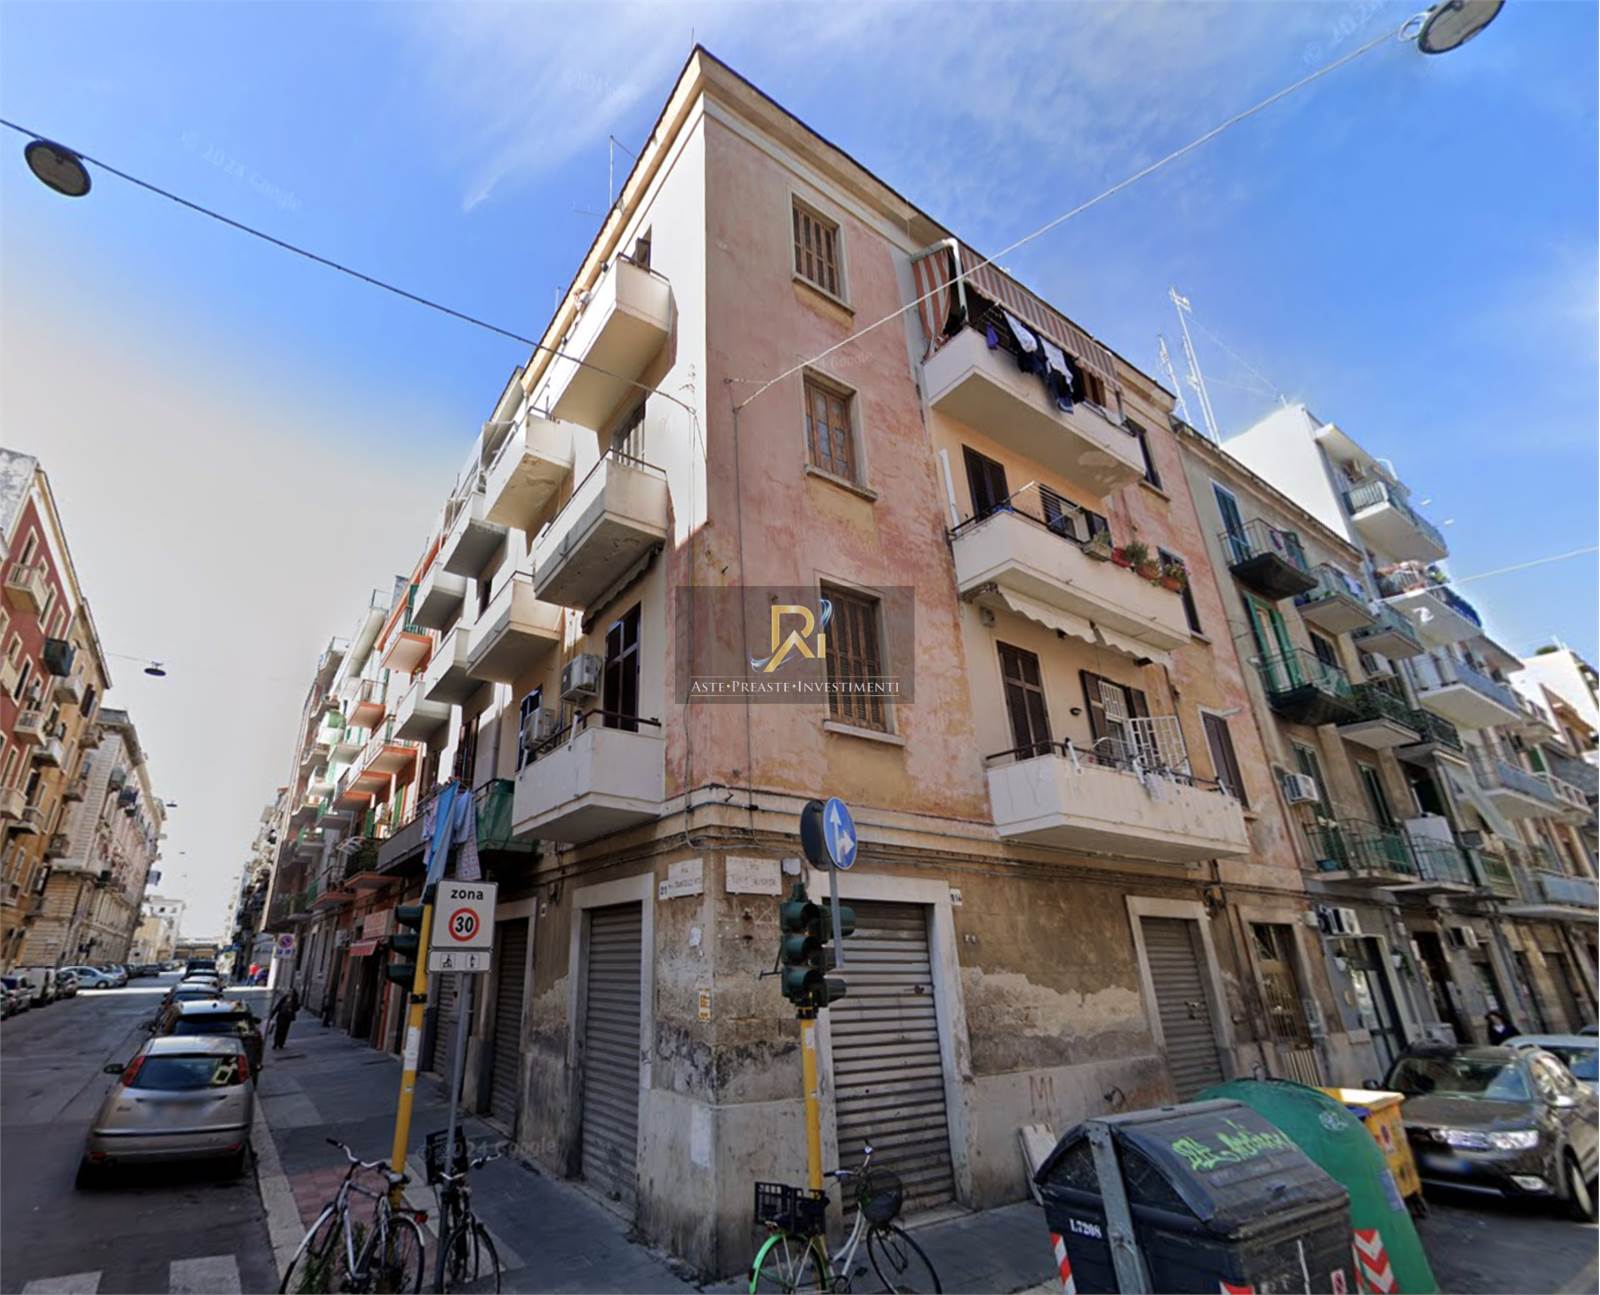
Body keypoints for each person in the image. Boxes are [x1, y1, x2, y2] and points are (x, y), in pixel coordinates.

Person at [269, 987, 301, 1051]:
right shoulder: (284, 998)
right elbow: (278, 1006)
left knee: (284, 1030)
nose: (289, 992)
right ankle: (276, 1043)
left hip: (287, 1017)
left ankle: (281, 1043)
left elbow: (297, 1008)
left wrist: (292, 1009)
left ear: (293, 993)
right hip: (281, 1015)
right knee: (278, 1030)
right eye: (289, 991)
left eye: (291, 992)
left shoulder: (295, 1000)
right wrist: (272, 1014)